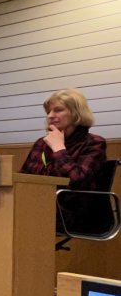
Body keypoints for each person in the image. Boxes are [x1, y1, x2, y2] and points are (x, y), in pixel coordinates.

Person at [20, 88, 107, 229]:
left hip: (75, 212)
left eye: (58, 110)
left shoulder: (94, 143)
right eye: (48, 112)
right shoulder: (41, 143)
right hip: (40, 206)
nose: (50, 116)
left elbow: (77, 181)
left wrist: (59, 149)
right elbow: (23, 179)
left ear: (76, 113)